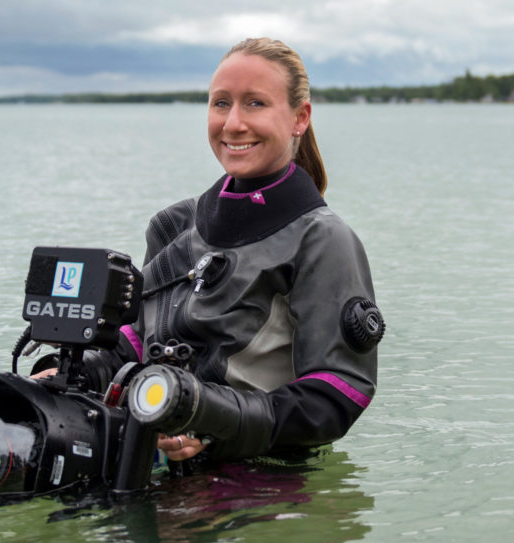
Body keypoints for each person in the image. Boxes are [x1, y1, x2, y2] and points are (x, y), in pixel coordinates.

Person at [36, 37, 383, 466]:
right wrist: (69, 374)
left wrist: (209, 419)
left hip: (263, 481)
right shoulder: (173, 226)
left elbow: (339, 392)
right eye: (221, 103)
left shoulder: (323, 240)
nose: (233, 123)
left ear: (300, 117)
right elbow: (133, 343)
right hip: (144, 458)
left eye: (255, 103)